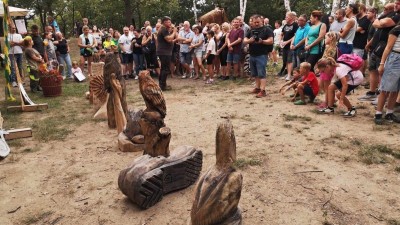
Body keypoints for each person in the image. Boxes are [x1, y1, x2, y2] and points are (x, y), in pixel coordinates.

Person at [360, 2, 399, 102]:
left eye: (386, 8)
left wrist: (380, 22)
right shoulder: (385, 16)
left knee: (382, 72)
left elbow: (382, 23)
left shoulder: (396, 16)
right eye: (384, 8)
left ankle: (380, 96)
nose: (384, 10)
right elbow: (376, 25)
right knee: (372, 69)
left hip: (385, 48)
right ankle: (372, 92)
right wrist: (369, 44)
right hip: (375, 48)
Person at [374, 24, 400, 124]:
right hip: (395, 58)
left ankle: (389, 112)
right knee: (386, 88)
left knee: (396, 89)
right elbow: (388, 47)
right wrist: (382, 64)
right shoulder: (397, 30)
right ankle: (378, 113)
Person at [244, 14, 274, 98]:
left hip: (262, 54)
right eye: (255, 22)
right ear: (252, 22)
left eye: (258, 22)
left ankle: (263, 90)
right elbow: (244, 39)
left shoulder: (267, 29)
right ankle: (257, 88)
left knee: (261, 73)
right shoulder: (251, 30)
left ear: (262, 21)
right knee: (255, 73)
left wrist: (262, 41)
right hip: (252, 54)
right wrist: (249, 40)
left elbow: (271, 41)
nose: (256, 24)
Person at [157, 16, 177, 91]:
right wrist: (174, 31)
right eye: (169, 22)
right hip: (164, 52)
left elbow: (169, 40)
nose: (170, 23)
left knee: (163, 69)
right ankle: (162, 86)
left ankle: (162, 84)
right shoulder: (163, 29)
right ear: (164, 22)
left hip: (164, 52)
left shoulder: (164, 29)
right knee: (165, 69)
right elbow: (169, 39)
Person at [280, 11, 298, 80]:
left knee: (289, 60)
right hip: (284, 46)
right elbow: (282, 34)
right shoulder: (285, 25)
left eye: (287, 17)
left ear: (291, 18)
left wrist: (287, 42)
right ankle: (288, 73)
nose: (285, 18)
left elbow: (295, 36)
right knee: (285, 60)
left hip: (291, 45)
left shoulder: (295, 25)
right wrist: (281, 41)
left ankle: (290, 75)